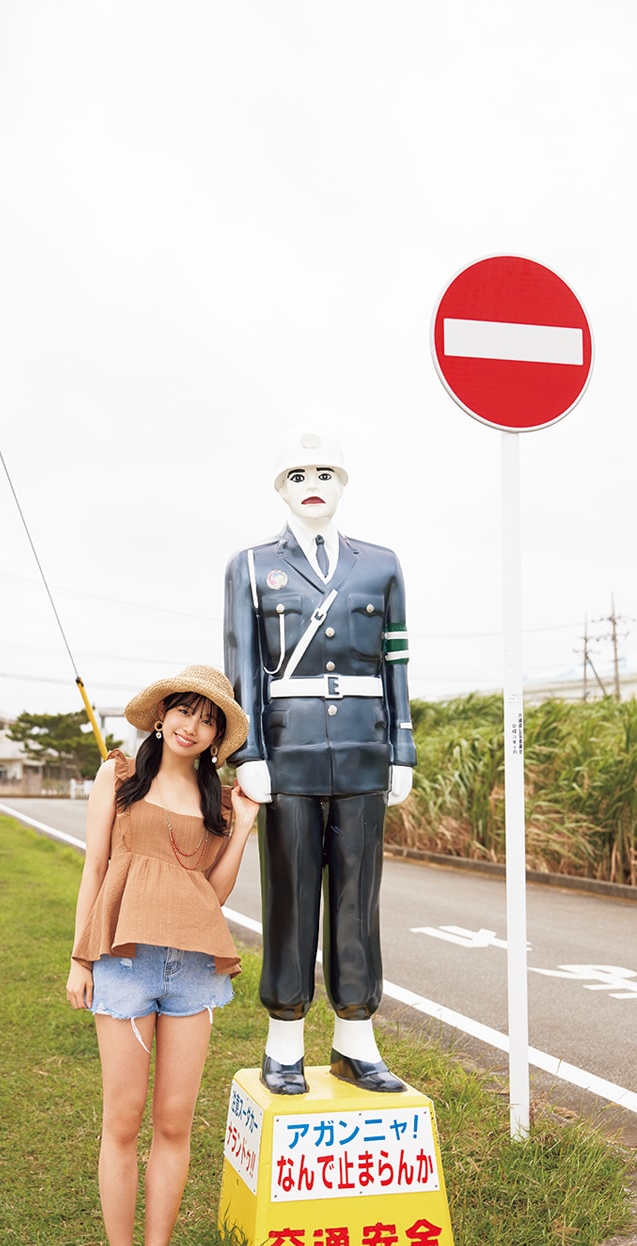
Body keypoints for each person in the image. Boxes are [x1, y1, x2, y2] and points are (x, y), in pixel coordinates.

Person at [66, 665, 259, 1246]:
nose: (192, 725)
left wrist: (243, 828)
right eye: (183, 711)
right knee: (122, 1118)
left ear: (215, 737)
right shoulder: (118, 776)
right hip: (120, 959)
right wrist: (78, 957)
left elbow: (214, 891)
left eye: (207, 720)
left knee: (174, 1122)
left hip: (192, 965)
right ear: (159, 716)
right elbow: (95, 867)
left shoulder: (219, 800)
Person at [223, 428, 415, 1097]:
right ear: (280, 487)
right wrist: (247, 751)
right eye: (298, 474)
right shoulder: (250, 566)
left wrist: (403, 747)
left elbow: (395, 665)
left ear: (343, 483)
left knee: (360, 901)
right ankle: (283, 1042)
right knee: (291, 895)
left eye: (325, 472)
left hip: (364, 749)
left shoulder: (381, 565)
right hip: (289, 751)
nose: (312, 484)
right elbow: (242, 666)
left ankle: (355, 1041)